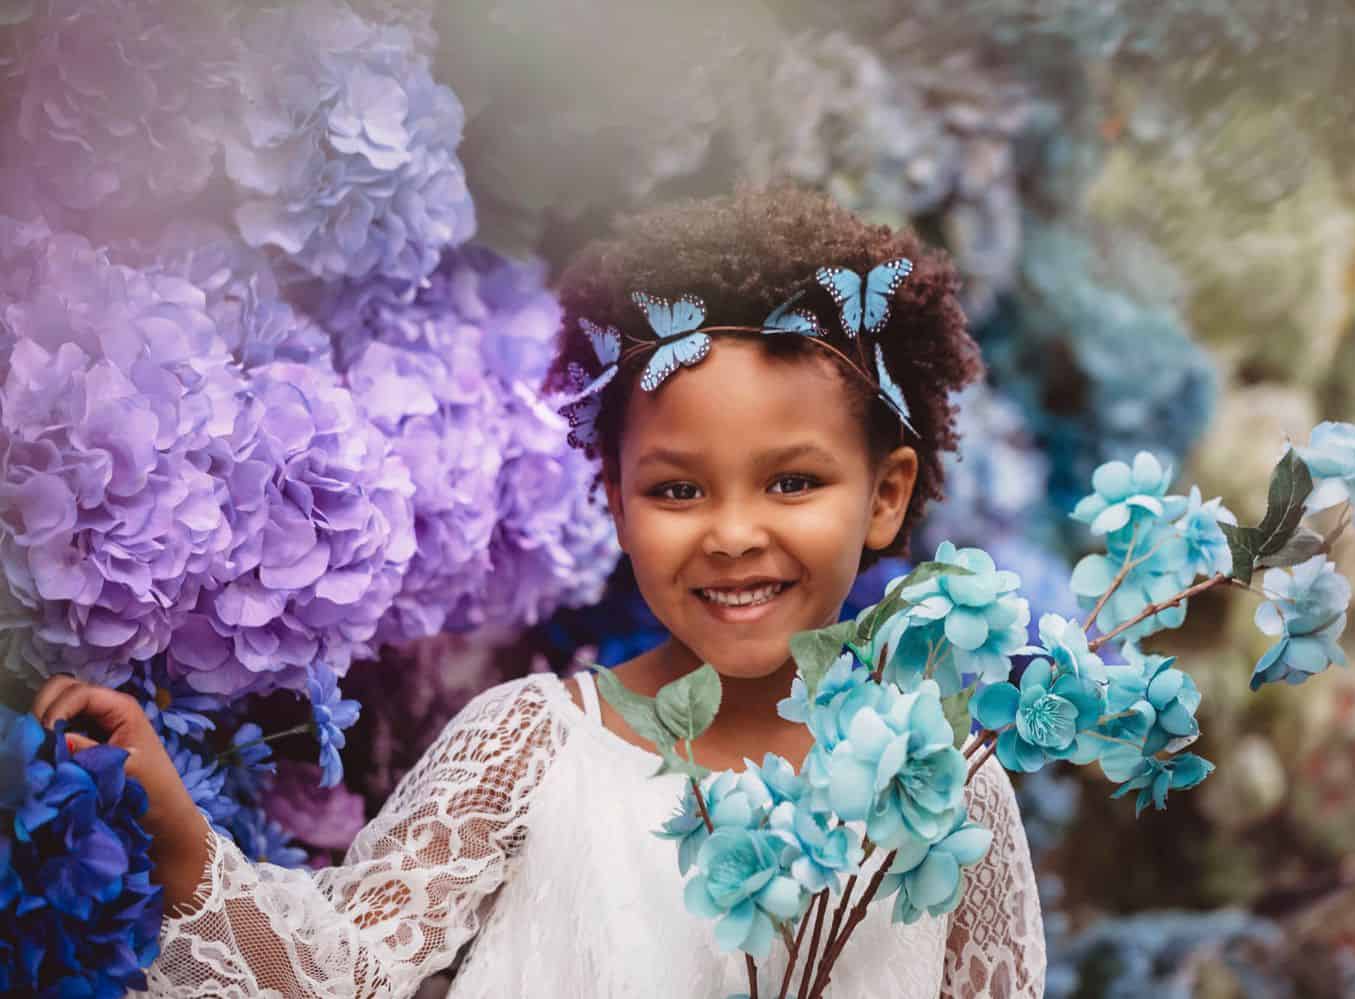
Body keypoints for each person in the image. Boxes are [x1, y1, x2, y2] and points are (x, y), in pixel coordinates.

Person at [29, 187, 1046, 997]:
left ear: (886, 495)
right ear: (613, 499)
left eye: (793, 481)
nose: (736, 533)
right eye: (678, 488)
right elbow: (336, 978)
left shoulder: (949, 791)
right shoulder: (530, 750)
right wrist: (173, 824)